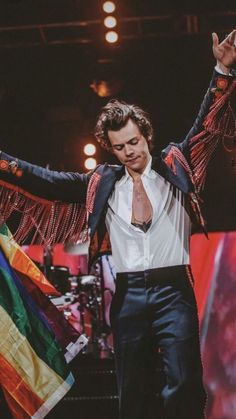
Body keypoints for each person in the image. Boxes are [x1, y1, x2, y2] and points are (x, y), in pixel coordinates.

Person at [0, 31, 236, 419]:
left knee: (183, 381)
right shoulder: (101, 183)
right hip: (129, 296)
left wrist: (222, 69)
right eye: (120, 147)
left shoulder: (176, 164)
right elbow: (38, 178)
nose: (129, 153)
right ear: (110, 147)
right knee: (133, 390)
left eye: (134, 142)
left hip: (173, 290)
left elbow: (207, 123)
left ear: (146, 134)